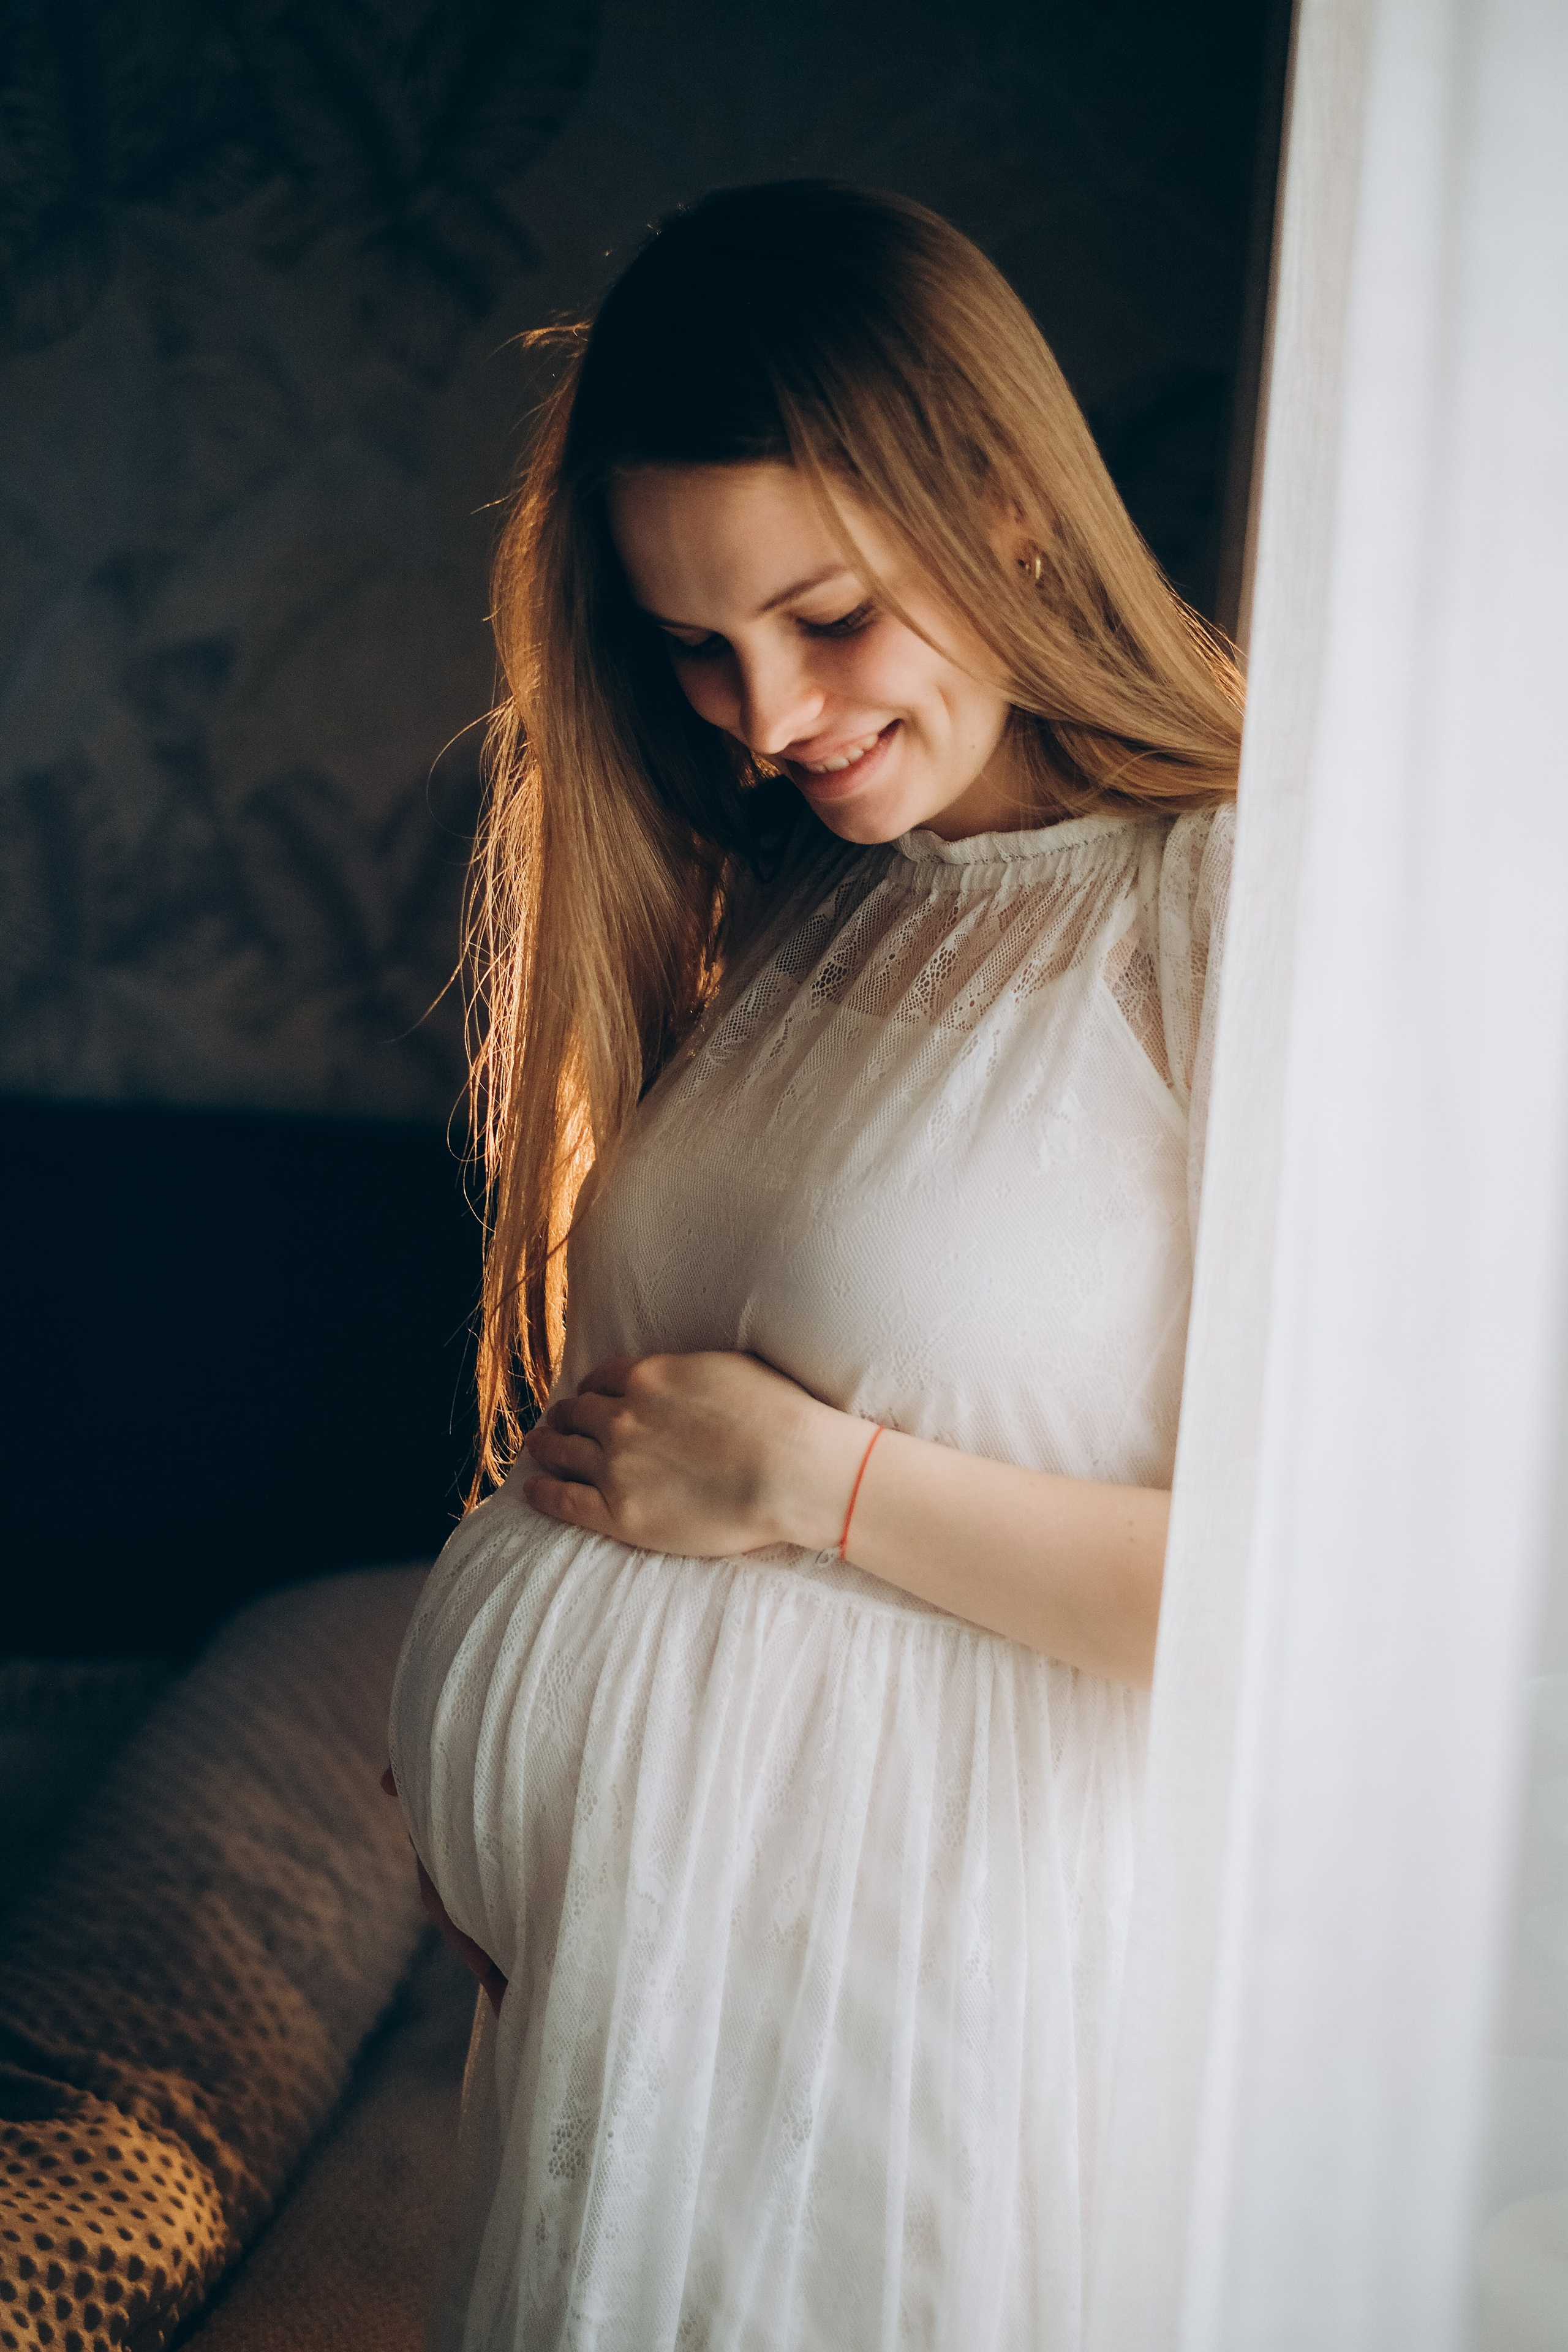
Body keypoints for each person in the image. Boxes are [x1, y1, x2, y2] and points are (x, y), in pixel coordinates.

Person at [388, 179, 1240, 2350]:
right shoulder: (806, 886)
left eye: (828, 616)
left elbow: (1309, 1605)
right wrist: (513, 1818)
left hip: (910, 2048)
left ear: (1006, 509)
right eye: (697, 645)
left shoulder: (1216, 906)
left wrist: (816, 1485)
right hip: (628, 2028)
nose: (765, 715)